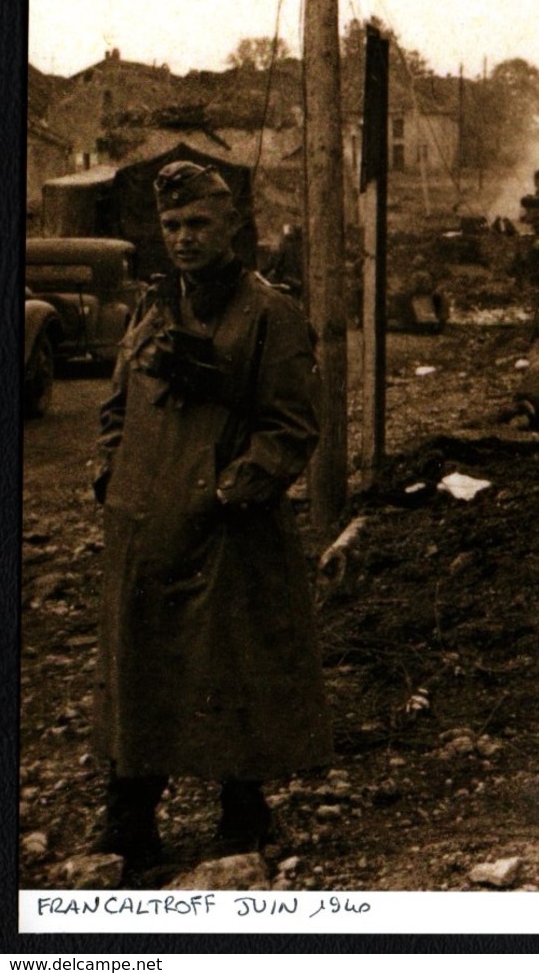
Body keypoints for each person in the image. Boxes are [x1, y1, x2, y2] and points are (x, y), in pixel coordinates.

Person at [91, 161, 332, 872]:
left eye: (199, 223)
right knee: (137, 667)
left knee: (233, 664)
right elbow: (115, 406)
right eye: (172, 226)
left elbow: (292, 426)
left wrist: (232, 490)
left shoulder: (269, 313)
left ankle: (243, 812)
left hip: (227, 529)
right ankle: (130, 815)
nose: (185, 238)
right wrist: (111, 472)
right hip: (142, 523)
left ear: (232, 226)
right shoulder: (152, 307)